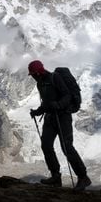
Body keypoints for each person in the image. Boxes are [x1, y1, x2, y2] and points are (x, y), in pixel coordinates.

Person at [28, 60, 91, 191]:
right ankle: (55, 176)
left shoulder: (54, 78)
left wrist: (59, 105)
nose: (32, 76)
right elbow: (46, 102)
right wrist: (37, 112)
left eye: (33, 74)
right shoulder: (41, 83)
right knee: (46, 145)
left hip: (63, 117)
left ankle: (83, 177)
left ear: (38, 72)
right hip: (50, 117)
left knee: (67, 147)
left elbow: (67, 95)